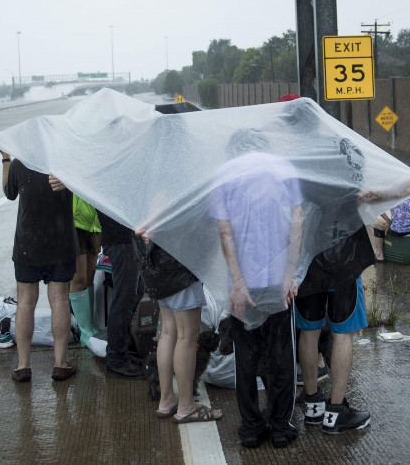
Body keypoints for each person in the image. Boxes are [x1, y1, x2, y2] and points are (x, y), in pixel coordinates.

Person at [280, 97, 374, 435]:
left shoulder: (288, 158)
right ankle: (336, 411)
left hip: (308, 256)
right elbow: (362, 185)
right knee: (343, 332)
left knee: (309, 330)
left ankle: (313, 405)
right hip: (345, 253)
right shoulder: (341, 148)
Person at [211, 128, 303, 448]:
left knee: (246, 360)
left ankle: (251, 429)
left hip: (243, 286)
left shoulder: (224, 175)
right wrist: (290, 275)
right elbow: (297, 222)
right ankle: (280, 427)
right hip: (277, 283)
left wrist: (237, 281)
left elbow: (225, 232)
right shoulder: (284, 169)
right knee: (281, 357)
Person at [0, 138, 78, 383]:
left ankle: (22, 366)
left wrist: (5, 157)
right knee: (59, 299)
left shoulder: (20, 165)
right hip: (61, 243)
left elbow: (9, 193)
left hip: (28, 245)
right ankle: (60, 365)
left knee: (26, 302)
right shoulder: (65, 167)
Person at [134, 231, 223, 423]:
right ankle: (186, 406)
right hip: (178, 266)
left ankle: (166, 399)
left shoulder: (149, 203)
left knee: (168, 332)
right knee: (186, 337)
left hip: (155, 267)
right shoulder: (175, 201)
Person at [96, 209, 147, 378]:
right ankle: (116, 358)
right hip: (120, 238)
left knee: (135, 293)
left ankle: (122, 350)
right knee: (124, 298)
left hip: (127, 236)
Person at [69, 193, 102, 347]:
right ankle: (85, 331)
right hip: (74, 221)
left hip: (95, 221)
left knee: (90, 277)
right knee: (79, 279)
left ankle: (90, 327)